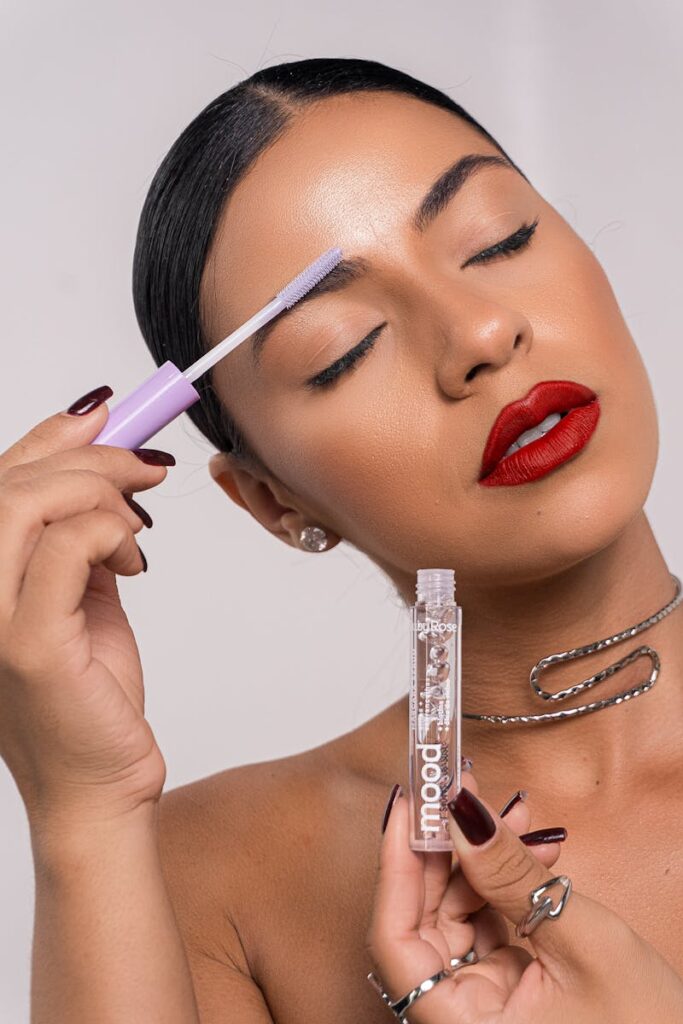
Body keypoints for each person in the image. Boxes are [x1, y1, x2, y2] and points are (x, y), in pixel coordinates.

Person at [1, 56, 681, 1022]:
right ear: (274, 504)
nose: (481, 332)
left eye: (498, 239)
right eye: (345, 348)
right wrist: (81, 809)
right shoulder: (213, 882)